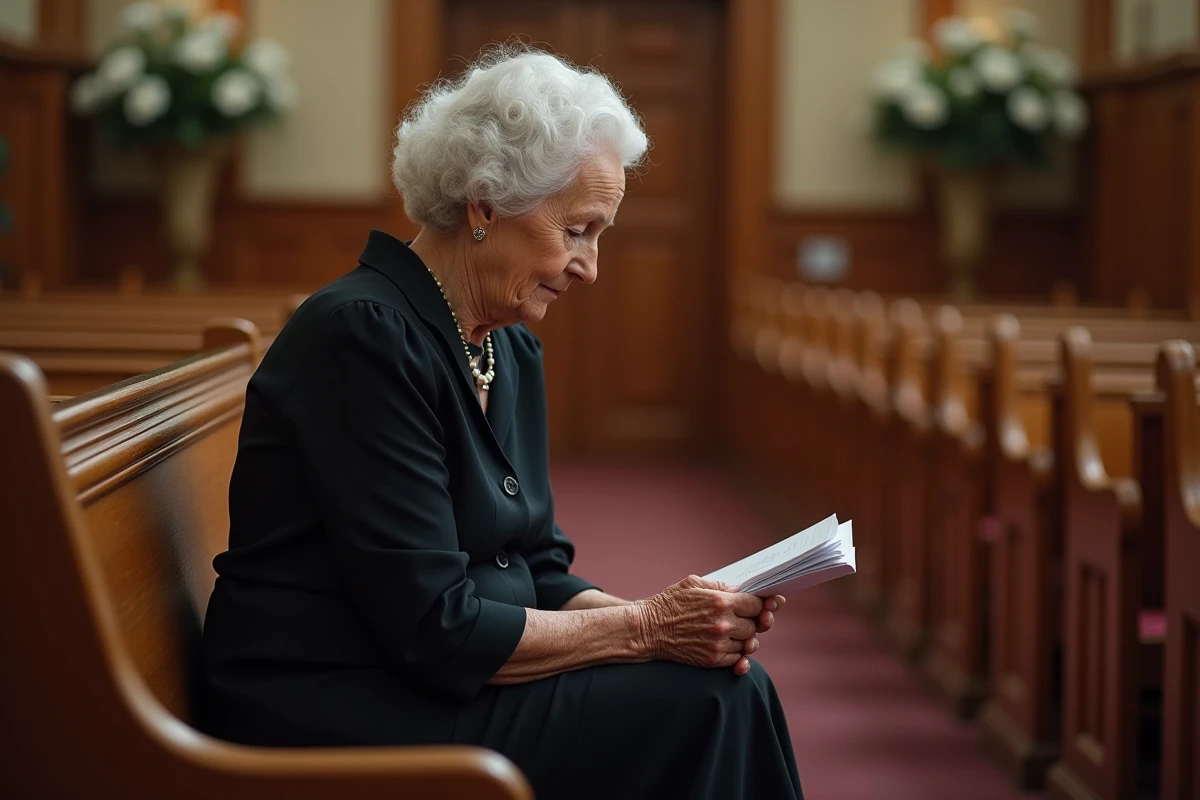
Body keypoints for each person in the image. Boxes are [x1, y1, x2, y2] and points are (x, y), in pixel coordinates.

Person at [200, 45, 803, 800]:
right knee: (710, 705)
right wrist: (647, 629)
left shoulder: (506, 347)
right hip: (332, 698)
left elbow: (537, 566)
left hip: (430, 674)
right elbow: (435, 626)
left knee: (722, 686)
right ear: (485, 205)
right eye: (578, 229)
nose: (590, 266)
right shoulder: (362, 337)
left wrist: (686, 627)